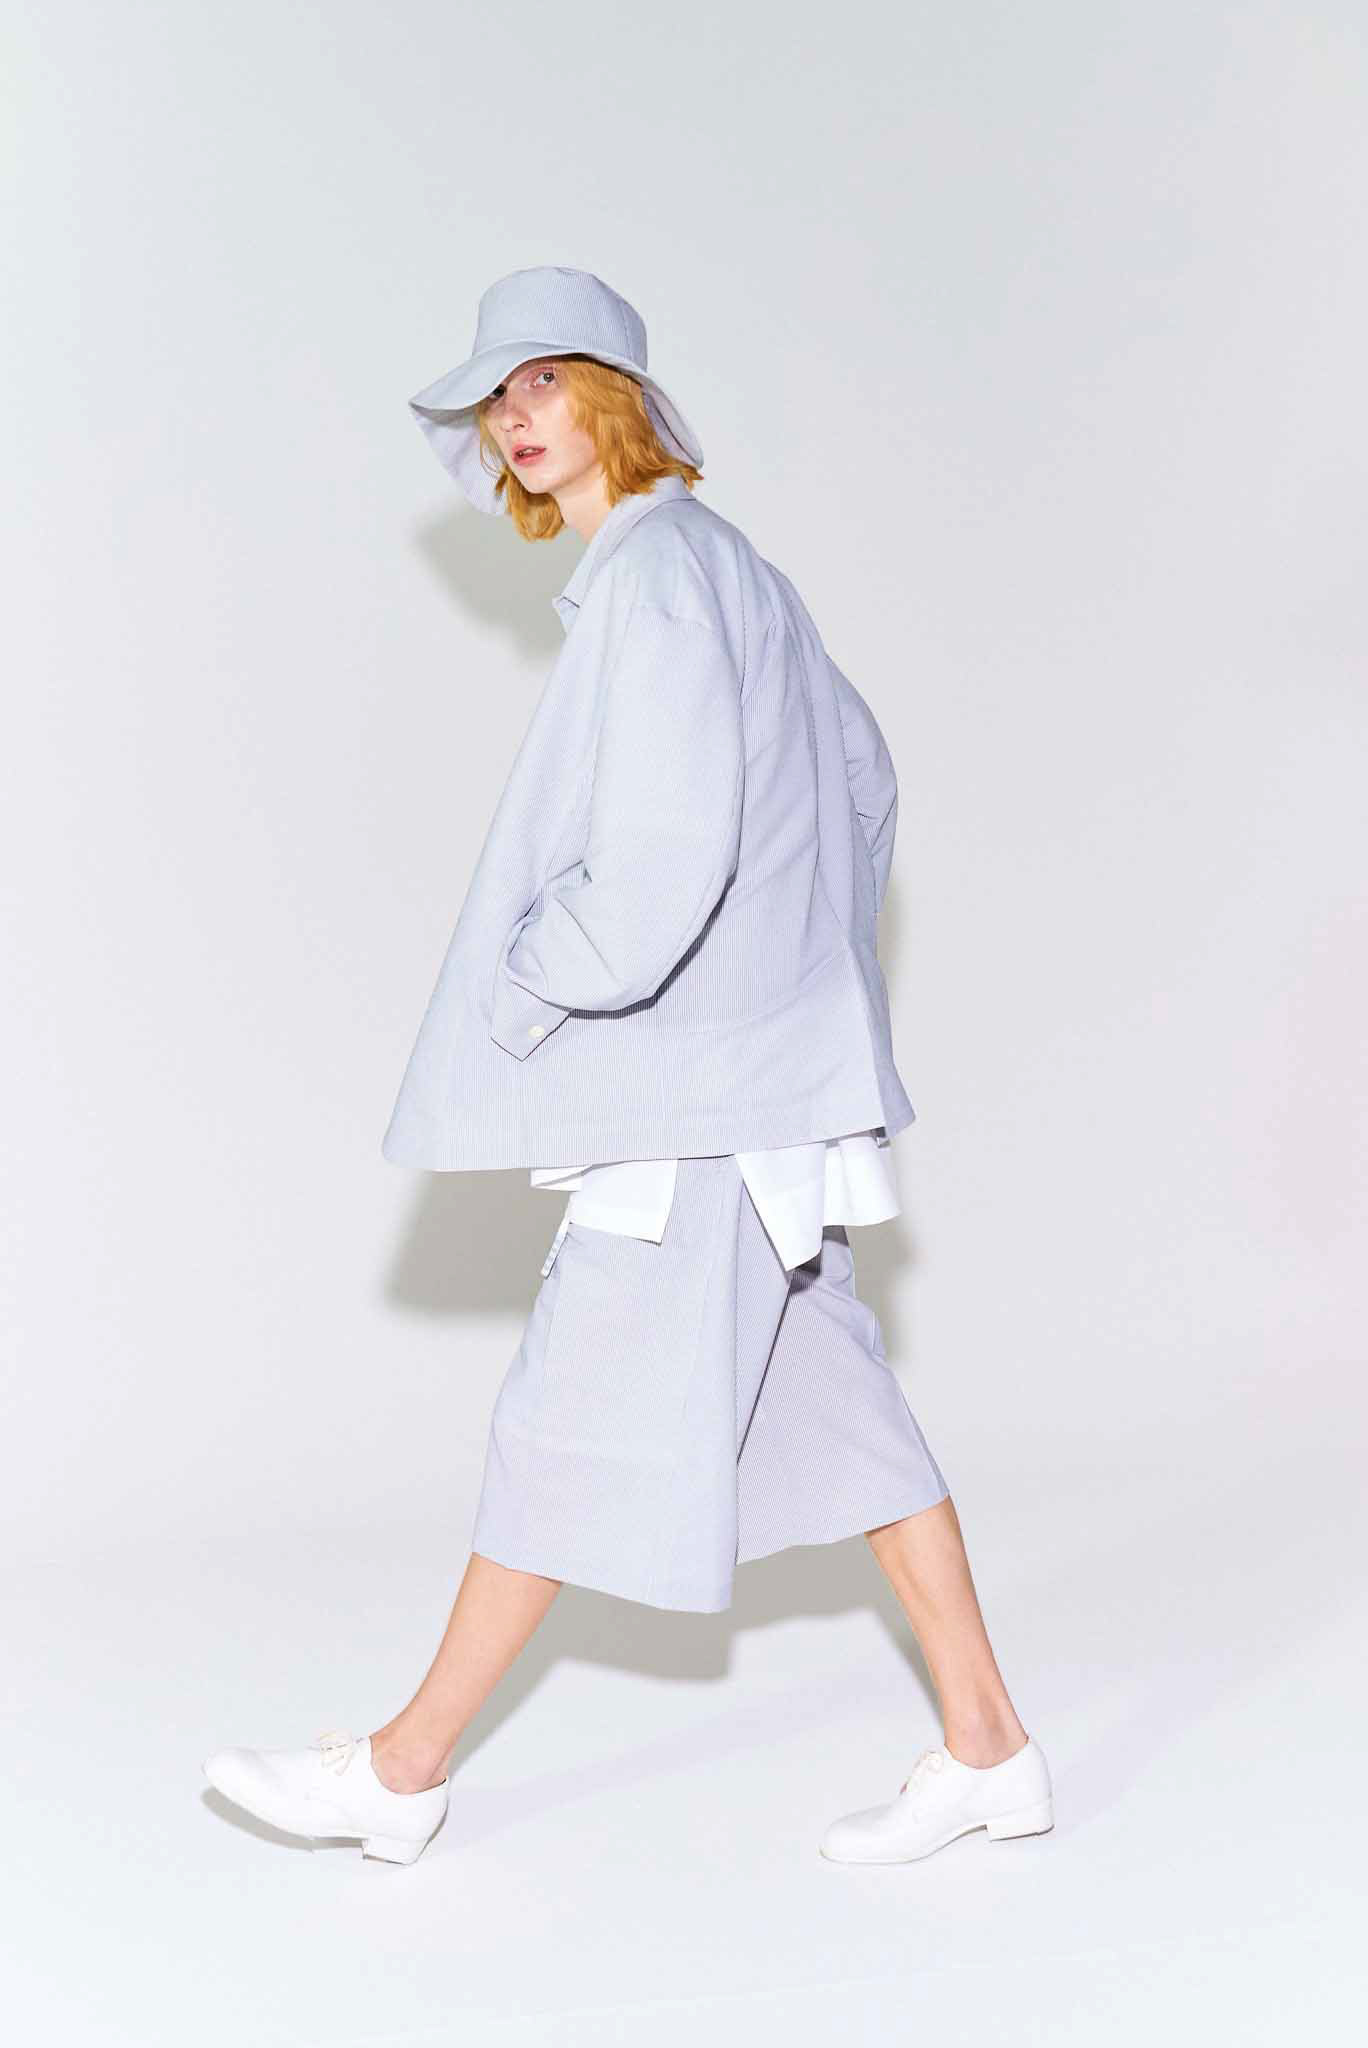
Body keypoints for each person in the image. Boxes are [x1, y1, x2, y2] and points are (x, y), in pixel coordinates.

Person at [202, 267, 1053, 1869]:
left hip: (698, 1108)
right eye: (495, 397)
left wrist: (535, 976)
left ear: (619, 398)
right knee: (853, 1426)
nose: (513, 417)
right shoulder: (732, 569)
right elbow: (863, 777)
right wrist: (797, 972)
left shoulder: (658, 581)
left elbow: (660, 868)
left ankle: (400, 1774)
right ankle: (991, 1747)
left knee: (560, 1420)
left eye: (542, 380)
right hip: (763, 1092)